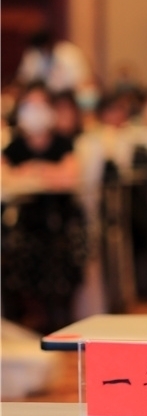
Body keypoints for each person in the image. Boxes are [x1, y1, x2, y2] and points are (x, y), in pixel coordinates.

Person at [0, 84, 86, 333]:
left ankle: (62, 317)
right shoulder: (14, 146)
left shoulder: (62, 143)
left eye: (42, 105)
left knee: (62, 251)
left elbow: (69, 177)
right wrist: (47, 172)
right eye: (30, 105)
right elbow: (6, 178)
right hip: (26, 220)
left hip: (61, 218)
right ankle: (35, 318)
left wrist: (31, 171)